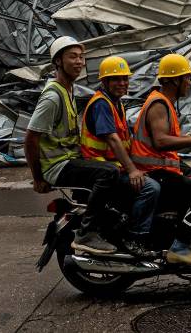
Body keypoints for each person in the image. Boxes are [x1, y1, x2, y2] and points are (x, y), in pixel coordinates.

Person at [23, 36, 119, 255]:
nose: (79, 62)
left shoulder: (69, 90)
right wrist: (38, 178)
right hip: (58, 166)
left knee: (114, 170)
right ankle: (87, 233)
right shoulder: (53, 97)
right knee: (109, 173)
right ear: (58, 61)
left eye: (81, 57)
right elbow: (30, 138)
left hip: (69, 160)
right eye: (72, 57)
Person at [131, 53, 191, 266]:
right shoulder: (159, 104)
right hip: (153, 172)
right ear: (173, 80)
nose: (189, 83)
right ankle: (180, 246)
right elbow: (161, 141)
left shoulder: (166, 103)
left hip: (161, 169)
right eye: (186, 78)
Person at [80, 56, 160, 258]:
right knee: (151, 188)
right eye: (116, 79)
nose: (122, 83)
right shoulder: (101, 104)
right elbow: (113, 140)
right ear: (104, 82)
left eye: (125, 79)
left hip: (115, 166)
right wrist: (133, 170)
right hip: (103, 169)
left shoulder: (117, 104)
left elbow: (126, 141)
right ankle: (135, 237)